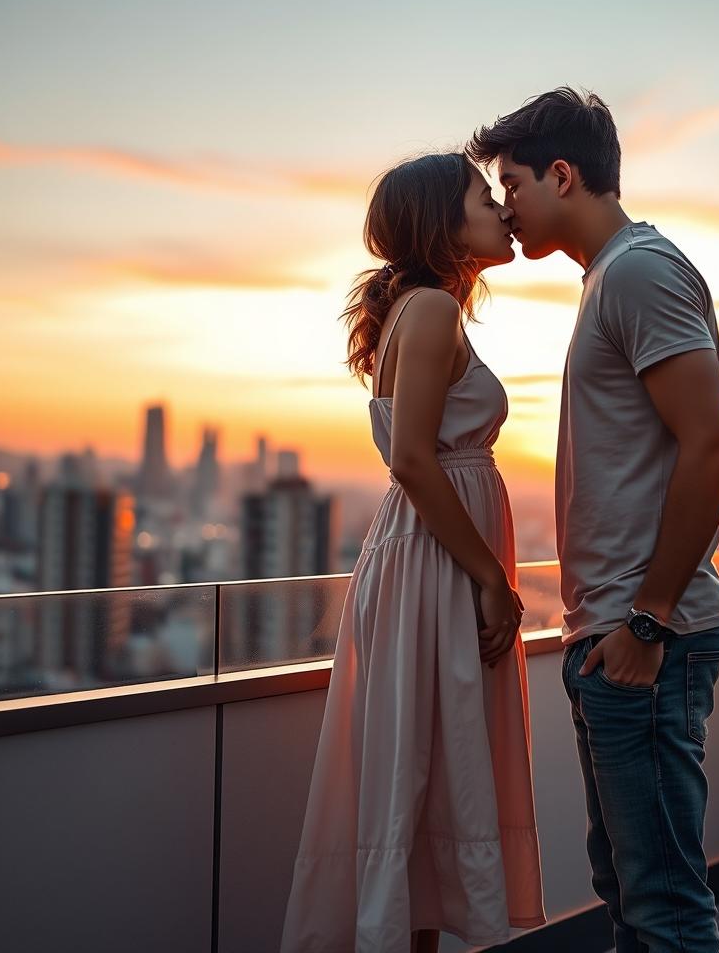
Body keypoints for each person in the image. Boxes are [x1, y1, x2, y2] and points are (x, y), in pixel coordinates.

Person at [468, 88, 719, 953]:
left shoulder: (638, 272)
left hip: (645, 639)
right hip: (615, 637)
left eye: (511, 182)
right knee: (628, 896)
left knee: (663, 909)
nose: (506, 205)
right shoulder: (608, 279)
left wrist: (647, 623)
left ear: (562, 173)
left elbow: (714, 448)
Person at [279, 152, 546, 953]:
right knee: (422, 772)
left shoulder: (429, 311)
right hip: (438, 561)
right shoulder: (428, 309)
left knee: (424, 775)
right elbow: (415, 461)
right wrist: (492, 581)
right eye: (480, 196)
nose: (500, 208)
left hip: (431, 556)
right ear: (441, 221)